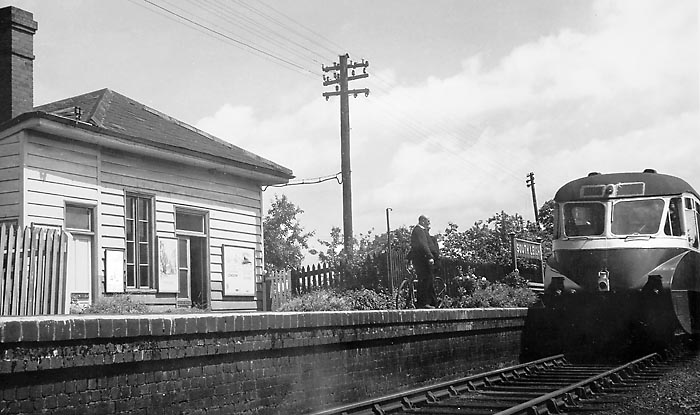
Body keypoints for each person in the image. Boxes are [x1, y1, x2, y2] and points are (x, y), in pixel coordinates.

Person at [409, 215, 437, 308]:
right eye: (427, 221)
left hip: (424, 260)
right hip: (422, 260)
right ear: (423, 221)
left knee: (429, 280)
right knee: (425, 280)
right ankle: (423, 303)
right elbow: (423, 245)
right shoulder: (418, 230)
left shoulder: (422, 231)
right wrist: (429, 256)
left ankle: (431, 302)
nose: (428, 223)